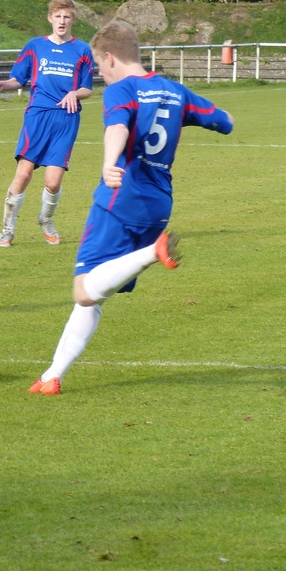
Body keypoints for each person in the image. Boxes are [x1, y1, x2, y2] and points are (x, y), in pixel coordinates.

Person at [29, 20, 234, 395]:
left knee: (83, 290)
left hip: (120, 196)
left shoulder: (122, 90)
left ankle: (153, 253)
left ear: (110, 58)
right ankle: (51, 376)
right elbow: (226, 122)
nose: (100, 74)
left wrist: (111, 162)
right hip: (158, 204)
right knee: (96, 296)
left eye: (98, 65)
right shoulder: (175, 91)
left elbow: (117, 127)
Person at [0, 0, 94, 248]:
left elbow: (87, 89)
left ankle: (45, 219)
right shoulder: (35, 46)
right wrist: (3, 85)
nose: (62, 21)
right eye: (57, 16)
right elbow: (18, 79)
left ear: (74, 20)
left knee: (53, 182)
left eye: (66, 16)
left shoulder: (83, 50)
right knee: (23, 174)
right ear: (50, 18)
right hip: (37, 116)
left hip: (66, 119)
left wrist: (74, 93)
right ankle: (7, 229)